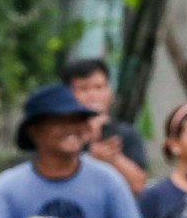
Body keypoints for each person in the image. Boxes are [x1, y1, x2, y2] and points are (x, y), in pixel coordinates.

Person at [0, 83, 142, 218]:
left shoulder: (109, 181)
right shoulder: (6, 187)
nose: (71, 129)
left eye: (78, 121)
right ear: (35, 131)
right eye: (60, 121)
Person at [60, 57, 149, 195]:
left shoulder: (126, 134)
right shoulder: (60, 135)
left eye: (99, 87)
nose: (93, 95)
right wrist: (89, 157)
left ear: (110, 92)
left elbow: (139, 186)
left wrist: (113, 158)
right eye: (83, 89)